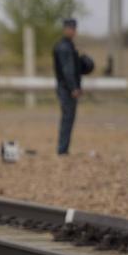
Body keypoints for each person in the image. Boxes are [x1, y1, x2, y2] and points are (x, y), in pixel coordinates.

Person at [53, 18, 82, 155]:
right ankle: (62, 149)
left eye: (74, 28)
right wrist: (73, 88)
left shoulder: (68, 45)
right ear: (65, 29)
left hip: (65, 87)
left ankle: (63, 149)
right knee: (67, 118)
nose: (72, 31)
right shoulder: (64, 47)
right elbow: (67, 70)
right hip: (66, 88)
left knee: (68, 118)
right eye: (70, 28)